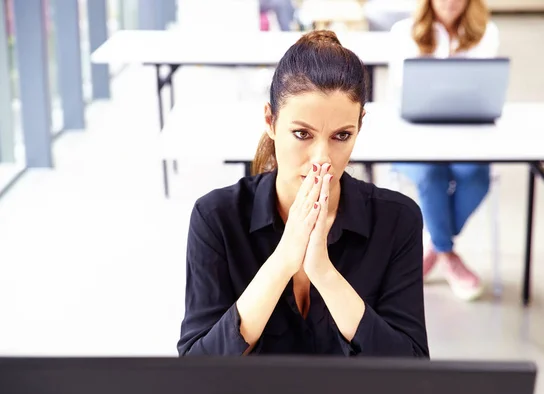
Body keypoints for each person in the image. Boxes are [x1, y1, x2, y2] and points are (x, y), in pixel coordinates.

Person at [177, 31, 429, 357]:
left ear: (360, 126)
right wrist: (283, 260)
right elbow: (196, 370)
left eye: (342, 135)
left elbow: (411, 372)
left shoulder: (397, 221)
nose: (322, 157)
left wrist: (323, 273)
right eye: (301, 133)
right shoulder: (216, 218)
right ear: (270, 120)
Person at [388, 0, 499, 301]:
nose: (450, 2)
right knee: (429, 173)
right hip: (415, 137)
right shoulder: (404, 33)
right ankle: (449, 255)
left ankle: (435, 247)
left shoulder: (486, 32)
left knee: (476, 175)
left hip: (467, 135)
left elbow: (483, 91)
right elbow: (405, 91)